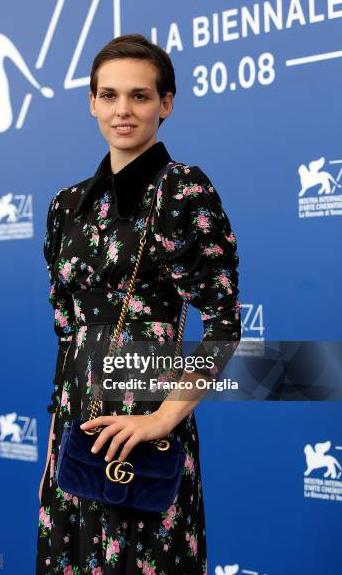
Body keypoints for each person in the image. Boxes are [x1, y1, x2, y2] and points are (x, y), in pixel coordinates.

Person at [36, 33, 241, 574]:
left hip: (147, 422)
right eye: (108, 95)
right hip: (78, 430)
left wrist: (163, 420)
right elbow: (67, 332)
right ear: (91, 102)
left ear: (166, 103)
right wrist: (55, 443)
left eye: (140, 96)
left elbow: (222, 325)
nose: (122, 110)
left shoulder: (182, 191)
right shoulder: (66, 206)